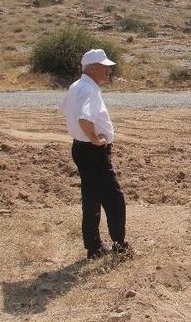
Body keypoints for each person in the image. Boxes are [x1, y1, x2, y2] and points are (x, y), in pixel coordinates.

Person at [62, 48, 132, 259]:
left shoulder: (77, 86)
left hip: (80, 148)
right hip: (92, 152)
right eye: (105, 68)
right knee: (114, 199)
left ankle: (93, 247)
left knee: (91, 198)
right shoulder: (88, 90)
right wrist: (96, 139)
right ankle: (120, 246)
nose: (109, 71)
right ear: (92, 68)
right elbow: (84, 119)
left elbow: (66, 110)